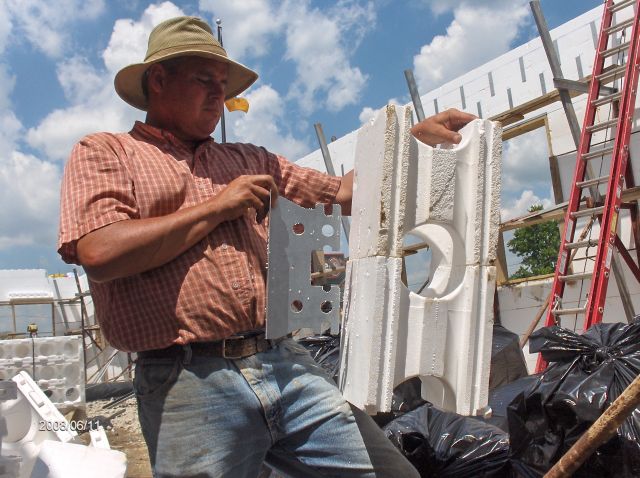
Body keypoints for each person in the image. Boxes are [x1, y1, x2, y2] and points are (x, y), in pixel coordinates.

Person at [58, 16, 476, 478]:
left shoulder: (249, 159)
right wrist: (216, 208)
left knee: (391, 474)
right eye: (204, 81)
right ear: (159, 80)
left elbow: (343, 193)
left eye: (223, 84)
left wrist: (413, 141)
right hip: (187, 381)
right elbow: (99, 253)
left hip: (283, 362)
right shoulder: (107, 152)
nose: (219, 95)